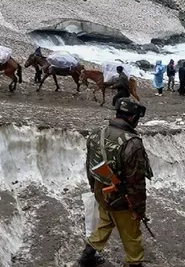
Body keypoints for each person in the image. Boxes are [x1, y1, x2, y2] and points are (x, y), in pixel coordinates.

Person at [78, 98, 152, 267]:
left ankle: (87, 256)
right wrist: (139, 210)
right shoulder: (132, 143)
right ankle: (134, 263)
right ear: (133, 118)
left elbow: (90, 165)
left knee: (105, 222)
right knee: (131, 235)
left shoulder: (97, 133)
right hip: (122, 199)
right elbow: (136, 182)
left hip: (101, 192)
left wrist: (94, 188)